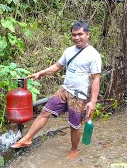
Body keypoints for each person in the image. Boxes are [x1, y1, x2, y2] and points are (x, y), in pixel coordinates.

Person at [11, 20, 101, 159]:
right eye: (74, 35)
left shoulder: (93, 54)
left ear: (87, 34)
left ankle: (74, 150)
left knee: (74, 125)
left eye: (80, 34)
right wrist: (40, 73)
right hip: (64, 90)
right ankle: (27, 139)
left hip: (79, 95)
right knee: (45, 112)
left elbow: (96, 78)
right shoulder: (69, 51)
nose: (76, 37)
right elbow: (57, 66)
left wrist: (93, 102)